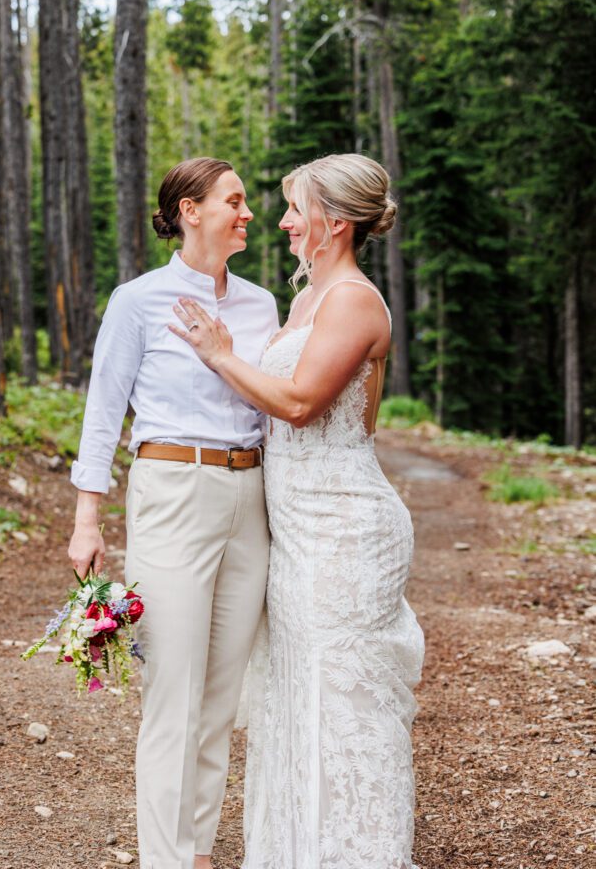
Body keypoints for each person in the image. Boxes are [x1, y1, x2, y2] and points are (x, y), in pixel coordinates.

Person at [171, 153, 425, 869]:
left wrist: (220, 355)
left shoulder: (352, 301)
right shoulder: (310, 297)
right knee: (290, 701)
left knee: (338, 706)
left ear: (334, 223)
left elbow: (301, 404)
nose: (281, 221)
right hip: (297, 529)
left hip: (343, 528)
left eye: (294, 209)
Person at [68, 157, 280, 869]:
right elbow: (104, 412)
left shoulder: (259, 305)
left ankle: (194, 853)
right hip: (171, 487)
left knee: (221, 697)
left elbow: (272, 406)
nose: (246, 213)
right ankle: (165, 861)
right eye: (234, 200)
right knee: (172, 693)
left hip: (249, 496)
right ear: (189, 210)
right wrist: (86, 518)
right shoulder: (138, 301)